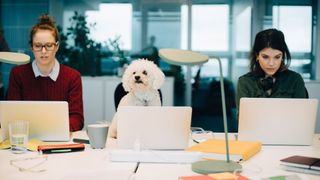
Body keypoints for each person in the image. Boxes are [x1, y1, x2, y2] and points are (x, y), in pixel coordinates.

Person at [7, 15, 84, 131]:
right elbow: (11, 116)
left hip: (60, 139)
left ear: (56, 46)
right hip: (27, 140)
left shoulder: (73, 77)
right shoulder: (18, 74)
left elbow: (77, 118)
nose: (43, 51)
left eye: (49, 45)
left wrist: (53, 130)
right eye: (38, 46)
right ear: (31, 47)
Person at [236, 28, 307, 109]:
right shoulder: (245, 82)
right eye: (265, 57)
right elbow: (243, 119)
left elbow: (302, 117)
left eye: (277, 57)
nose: (271, 63)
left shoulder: (295, 80)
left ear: (282, 56)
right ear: (257, 56)